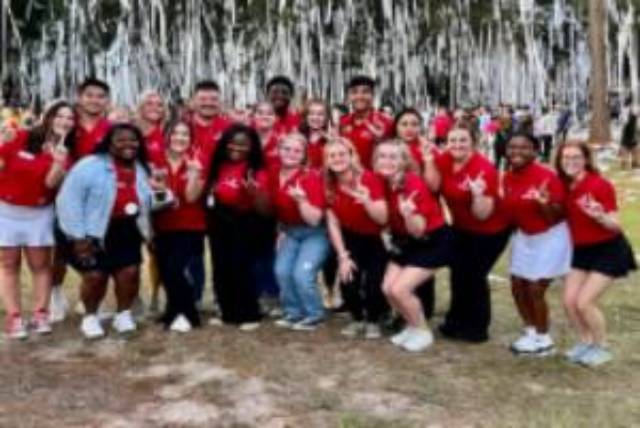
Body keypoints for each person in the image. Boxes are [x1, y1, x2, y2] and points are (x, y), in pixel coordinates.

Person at [56, 123, 169, 339]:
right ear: (109, 143)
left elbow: (152, 202)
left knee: (130, 273)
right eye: (121, 140)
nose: (129, 144)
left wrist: (163, 191)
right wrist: (78, 238)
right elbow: (68, 202)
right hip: (92, 231)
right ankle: (90, 317)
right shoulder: (89, 165)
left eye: (133, 140)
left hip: (127, 229)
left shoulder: (142, 168)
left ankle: (123, 314)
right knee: (95, 276)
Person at [422, 121, 511, 342]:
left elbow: (483, 215)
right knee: (458, 273)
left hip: (491, 229)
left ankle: (477, 328)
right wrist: (428, 161)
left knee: (474, 276)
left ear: (474, 142)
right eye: (453, 140)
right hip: (462, 227)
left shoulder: (484, 168)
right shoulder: (444, 160)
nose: (457, 144)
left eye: (463, 140)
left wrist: (478, 195)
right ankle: (455, 321)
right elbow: (433, 186)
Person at [556, 140, 636, 366]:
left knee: (584, 302)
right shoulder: (564, 185)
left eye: (576, 157)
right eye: (566, 158)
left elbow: (616, 225)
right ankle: (586, 342)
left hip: (608, 249)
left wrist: (600, 216)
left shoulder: (600, 185)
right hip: (581, 249)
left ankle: (602, 347)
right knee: (569, 302)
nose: (570, 162)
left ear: (586, 159)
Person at [0, 101, 73, 338]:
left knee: (40, 265)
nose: (64, 121)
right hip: (7, 211)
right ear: (48, 117)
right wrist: (3, 139)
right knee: (9, 264)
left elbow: (50, 184)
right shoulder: (21, 137)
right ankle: (14, 318)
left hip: (39, 214)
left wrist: (59, 162)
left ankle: (41, 314)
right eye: (60, 116)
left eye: (69, 118)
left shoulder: (64, 151)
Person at [374, 140, 452, 352]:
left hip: (430, 241)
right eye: (382, 156)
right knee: (387, 288)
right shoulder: (383, 182)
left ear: (403, 161)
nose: (387, 161)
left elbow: (419, 229)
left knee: (400, 289)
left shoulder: (412, 182)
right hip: (405, 242)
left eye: (393, 157)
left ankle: (423, 331)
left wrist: (408, 214)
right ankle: (412, 326)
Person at [49, 78, 112, 322]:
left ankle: (89, 302)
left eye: (100, 96)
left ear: (106, 100)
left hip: (98, 202)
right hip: (64, 197)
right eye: (90, 95)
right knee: (61, 252)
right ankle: (55, 295)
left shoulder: (111, 128)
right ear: (80, 97)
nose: (95, 100)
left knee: (98, 250)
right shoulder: (67, 123)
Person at [503, 133, 571, 356]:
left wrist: (543, 204)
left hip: (551, 236)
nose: (517, 152)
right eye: (512, 147)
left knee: (535, 288)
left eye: (524, 147)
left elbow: (557, 217)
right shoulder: (508, 177)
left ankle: (544, 339)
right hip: (525, 236)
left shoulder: (547, 176)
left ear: (535, 151)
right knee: (517, 285)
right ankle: (530, 332)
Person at [324, 137, 389, 339]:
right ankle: (357, 317)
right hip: (350, 237)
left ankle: (373, 319)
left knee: (374, 283)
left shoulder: (368, 178)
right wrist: (342, 256)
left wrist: (367, 200)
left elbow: (383, 217)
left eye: (342, 154)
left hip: (376, 238)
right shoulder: (328, 184)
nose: (337, 159)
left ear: (352, 155)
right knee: (348, 279)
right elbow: (332, 223)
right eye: (332, 155)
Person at [205, 124, 268, 330]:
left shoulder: (256, 170)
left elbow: (265, 209)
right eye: (232, 143)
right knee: (221, 267)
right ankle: (227, 312)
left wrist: (254, 194)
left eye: (243, 145)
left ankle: (249, 314)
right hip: (219, 221)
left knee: (242, 268)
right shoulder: (218, 165)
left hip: (245, 222)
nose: (236, 148)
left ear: (252, 147)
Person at [150, 121, 206, 332]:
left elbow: (191, 197)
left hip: (190, 226)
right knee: (165, 272)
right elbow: (153, 199)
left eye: (185, 135)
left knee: (175, 269)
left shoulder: (197, 163)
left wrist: (193, 175)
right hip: (162, 226)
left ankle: (188, 314)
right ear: (167, 136)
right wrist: (161, 191)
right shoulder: (156, 162)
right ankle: (172, 311)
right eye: (175, 133)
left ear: (191, 140)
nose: (180, 138)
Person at [271, 133, 329, 331]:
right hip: (290, 231)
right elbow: (276, 208)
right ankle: (293, 312)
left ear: (304, 155)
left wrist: (302, 201)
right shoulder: (274, 173)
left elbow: (315, 219)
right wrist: (280, 230)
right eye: (287, 149)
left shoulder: (311, 176)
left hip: (314, 232)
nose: (291, 154)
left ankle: (314, 314)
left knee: (302, 274)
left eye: (297, 151)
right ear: (279, 150)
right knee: (282, 271)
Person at [393, 108, 439, 320]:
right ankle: (401, 311)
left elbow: (433, 186)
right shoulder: (390, 149)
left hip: (423, 215)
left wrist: (428, 160)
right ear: (396, 127)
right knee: (401, 264)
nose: (409, 128)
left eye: (414, 123)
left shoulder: (427, 149)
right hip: (399, 216)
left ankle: (424, 313)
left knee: (422, 267)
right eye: (404, 123)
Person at [135, 90, 168, 312]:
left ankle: (158, 294)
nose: (155, 106)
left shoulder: (168, 133)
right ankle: (133, 296)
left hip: (161, 195)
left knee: (158, 248)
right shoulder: (132, 132)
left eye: (159, 103)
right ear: (140, 106)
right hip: (135, 195)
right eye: (149, 102)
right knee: (132, 251)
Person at [339, 75, 394, 168]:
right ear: (349, 96)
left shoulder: (386, 122)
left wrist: (381, 140)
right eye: (354, 92)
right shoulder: (342, 122)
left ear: (373, 95)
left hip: (378, 179)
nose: (359, 96)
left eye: (365, 92)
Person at [300, 99, 332, 169]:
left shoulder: (330, 139)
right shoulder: (299, 138)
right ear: (306, 117)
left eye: (320, 114)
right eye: (311, 113)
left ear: (327, 117)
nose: (316, 117)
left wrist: (332, 141)